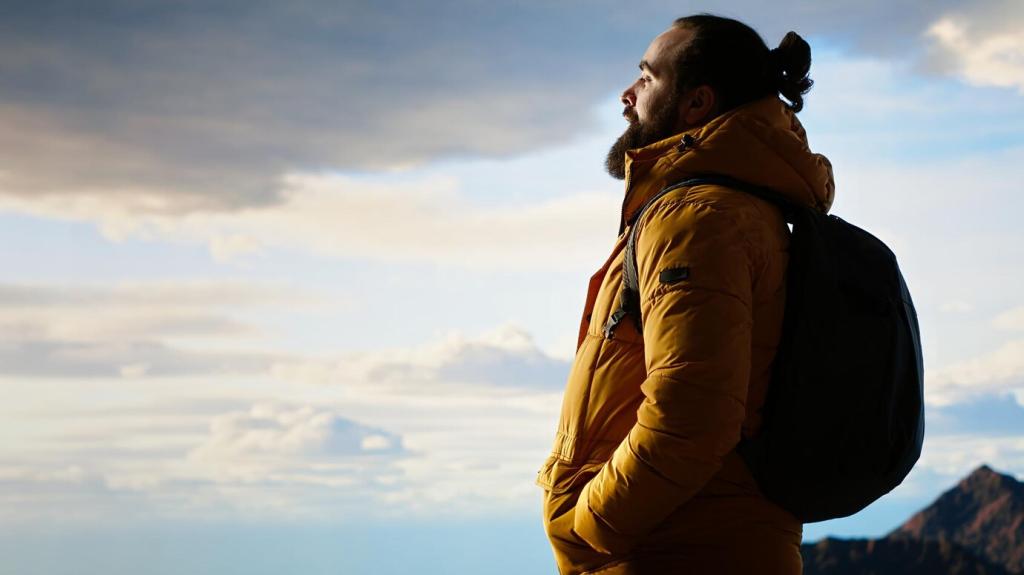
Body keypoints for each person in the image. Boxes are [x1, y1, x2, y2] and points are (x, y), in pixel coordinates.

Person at [535, 13, 835, 575]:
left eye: (647, 78)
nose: (627, 95)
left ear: (697, 103)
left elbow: (692, 416)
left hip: (677, 550)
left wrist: (588, 529)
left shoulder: (698, 219)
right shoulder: (739, 208)